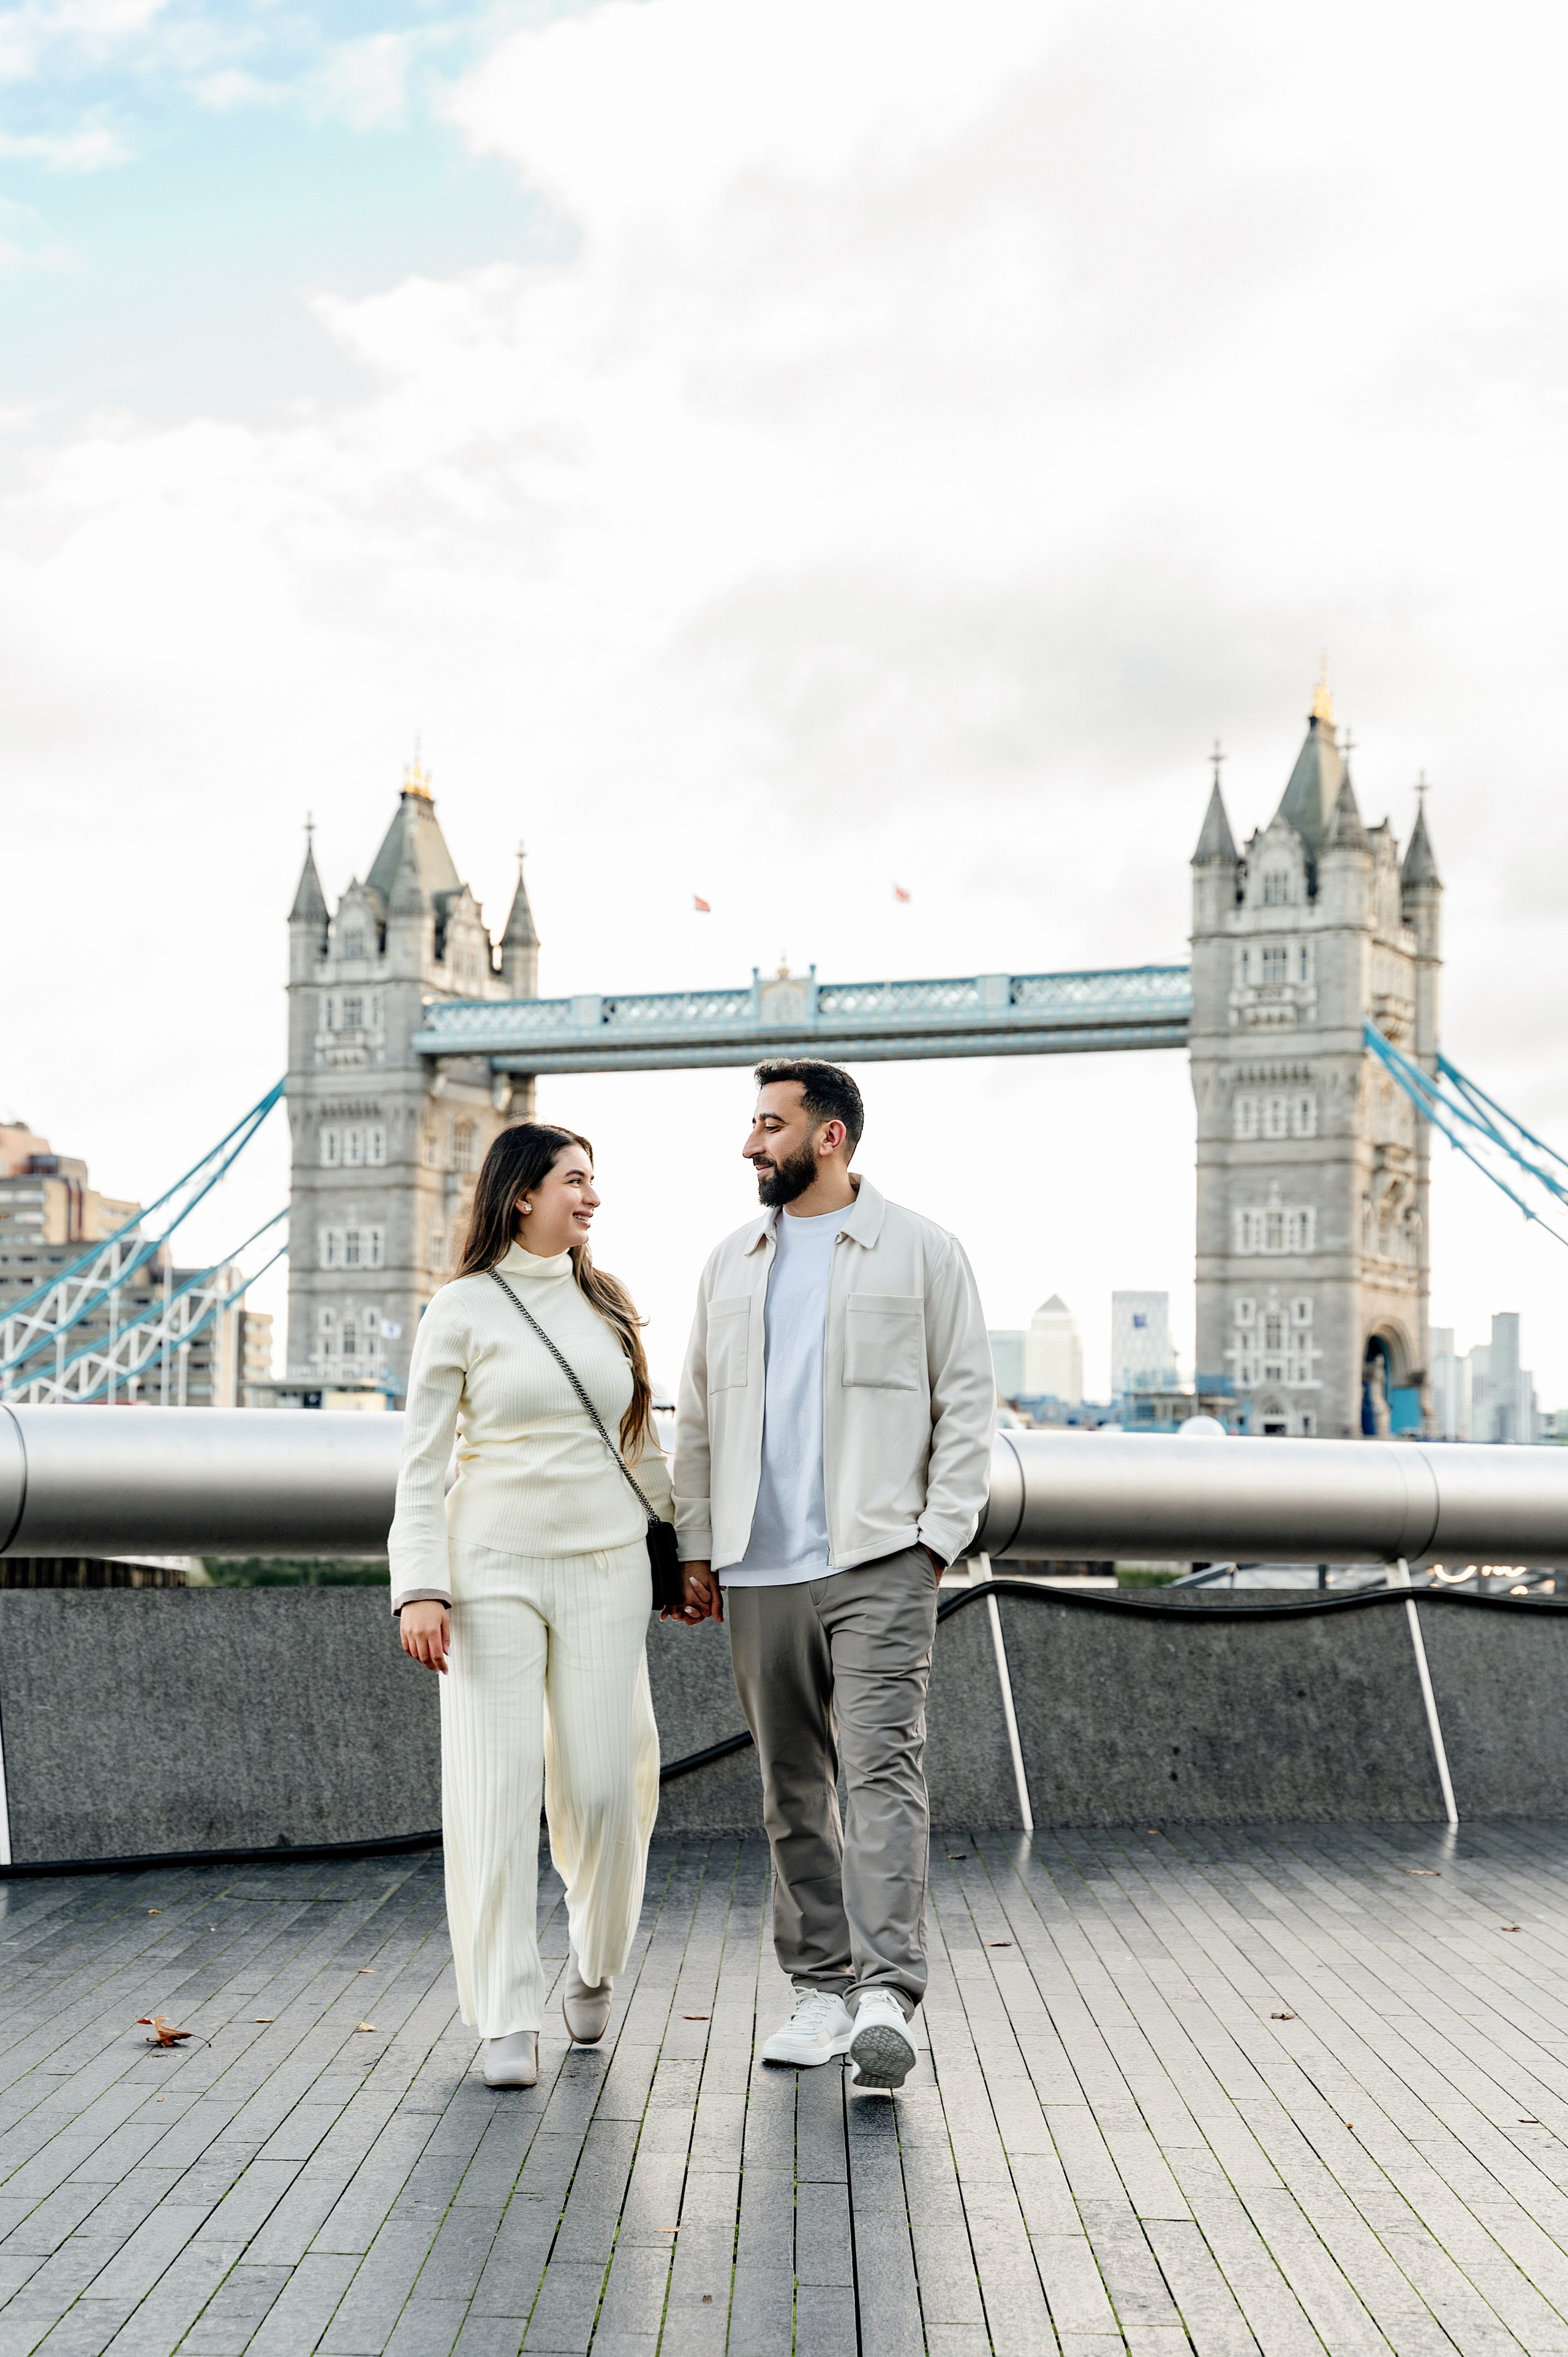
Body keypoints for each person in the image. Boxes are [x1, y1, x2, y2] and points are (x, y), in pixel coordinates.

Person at [671, 1060, 993, 2091]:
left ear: (830, 1138)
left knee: (885, 1772)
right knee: (789, 1785)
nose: (750, 1144)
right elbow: (700, 1416)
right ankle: (818, 1985)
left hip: (878, 1558)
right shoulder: (729, 1262)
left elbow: (968, 1406)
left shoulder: (925, 1252)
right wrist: (694, 1545)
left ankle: (884, 1998)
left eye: (769, 1125)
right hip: (757, 1564)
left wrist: (934, 1540)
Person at [391, 1123, 667, 2089]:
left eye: (594, 1182)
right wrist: (419, 1586)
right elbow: (422, 1465)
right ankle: (505, 2012)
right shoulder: (460, 1309)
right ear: (522, 1194)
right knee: (494, 1791)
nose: (592, 1198)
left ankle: (595, 1960)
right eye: (576, 1181)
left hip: (606, 1568)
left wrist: (689, 1555)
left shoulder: (607, 1305)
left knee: (605, 1784)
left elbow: (642, 1450)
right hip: (488, 1571)